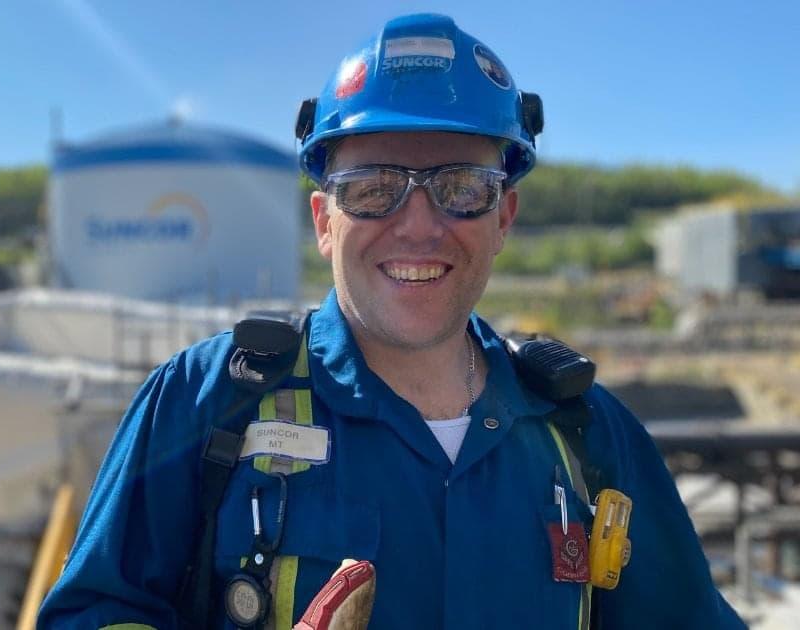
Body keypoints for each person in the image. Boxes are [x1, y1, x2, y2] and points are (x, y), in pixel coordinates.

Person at [39, 13, 745, 629]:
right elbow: (94, 615)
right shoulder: (207, 405)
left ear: (504, 217)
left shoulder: (587, 436)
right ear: (324, 222)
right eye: (373, 189)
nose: (417, 226)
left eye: (461, 189)